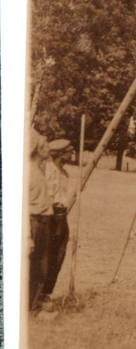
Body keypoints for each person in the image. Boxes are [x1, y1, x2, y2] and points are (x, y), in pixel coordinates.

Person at [40, 138, 77, 311]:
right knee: (46, 255)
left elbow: (67, 199)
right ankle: (38, 295)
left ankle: (47, 293)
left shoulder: (65, 174)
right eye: (70, 152)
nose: (72, 155)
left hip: (61, 218)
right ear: (61, 154)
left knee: (58, 255)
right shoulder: (45, 170)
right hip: (48, 216)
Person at [26, 129, 53, 312]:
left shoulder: (39, 170)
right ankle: (29, 308)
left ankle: (33, 305)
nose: (48, 149)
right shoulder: (28, 173)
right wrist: (27, 235)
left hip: (43, 222)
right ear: (37, 150)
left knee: (41, 267)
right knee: (32, 267)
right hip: (33, 223)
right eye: (45, 146)